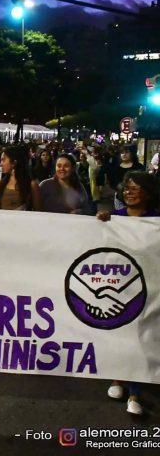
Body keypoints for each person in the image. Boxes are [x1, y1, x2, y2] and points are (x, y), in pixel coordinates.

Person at [97, 171, 160, 415]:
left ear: (149, 193)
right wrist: (101, 222)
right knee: (119, 333)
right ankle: (117, 378)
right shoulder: (115, 218)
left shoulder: (156, 221)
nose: (129, 192)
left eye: (135, 188)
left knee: (142, 337)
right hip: (119, 287)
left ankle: (135, 392)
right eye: (126, 188)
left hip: (150, 289)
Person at [0, 146, 41, 211]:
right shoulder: (0, 183)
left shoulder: (32, 185)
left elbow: (38, 212)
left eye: (3, 160)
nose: (0, 164)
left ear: (14, 163)